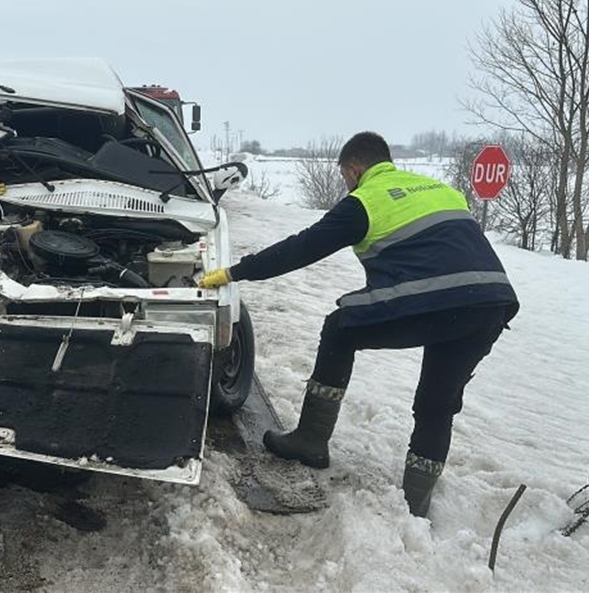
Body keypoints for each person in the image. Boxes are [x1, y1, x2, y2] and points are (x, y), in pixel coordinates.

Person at [199, 131, 519, 517]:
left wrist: (234, 272)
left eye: (344, 177)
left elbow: (301, 248)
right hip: (490, 302)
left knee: (341, 328)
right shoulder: (440, 189)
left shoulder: (364, 200)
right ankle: (416, 505)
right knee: (437, 402)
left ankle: (311, 440)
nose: (345, 184)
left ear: (354, 169)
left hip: (437, 298)